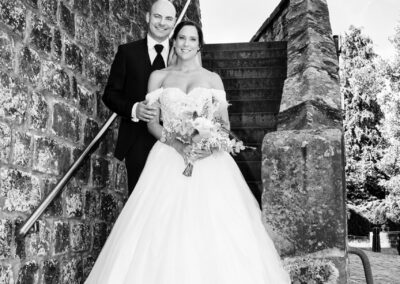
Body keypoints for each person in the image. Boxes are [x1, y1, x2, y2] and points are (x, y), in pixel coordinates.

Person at [85, 21, 291, 284]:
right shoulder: (158, 77)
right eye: (181, 38)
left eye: (192, 39)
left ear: (199, 44)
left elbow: (224, 126)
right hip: (167, 156)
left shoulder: (212, 78)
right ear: (175, 41)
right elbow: (152, 123)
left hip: (210, 162)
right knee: (157, 230)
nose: (186, 44)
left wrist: (207, 144)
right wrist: (178, 145)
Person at [102, 0, 176, 195]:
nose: (162, 23)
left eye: (168, 18)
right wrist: (135, 109)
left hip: (175, 140)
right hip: (137, 140)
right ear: (148, 17)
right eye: (157, 16)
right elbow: (110, 94)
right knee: (141, 201)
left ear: (174, 22)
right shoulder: (127, 52)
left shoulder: (181, 54)